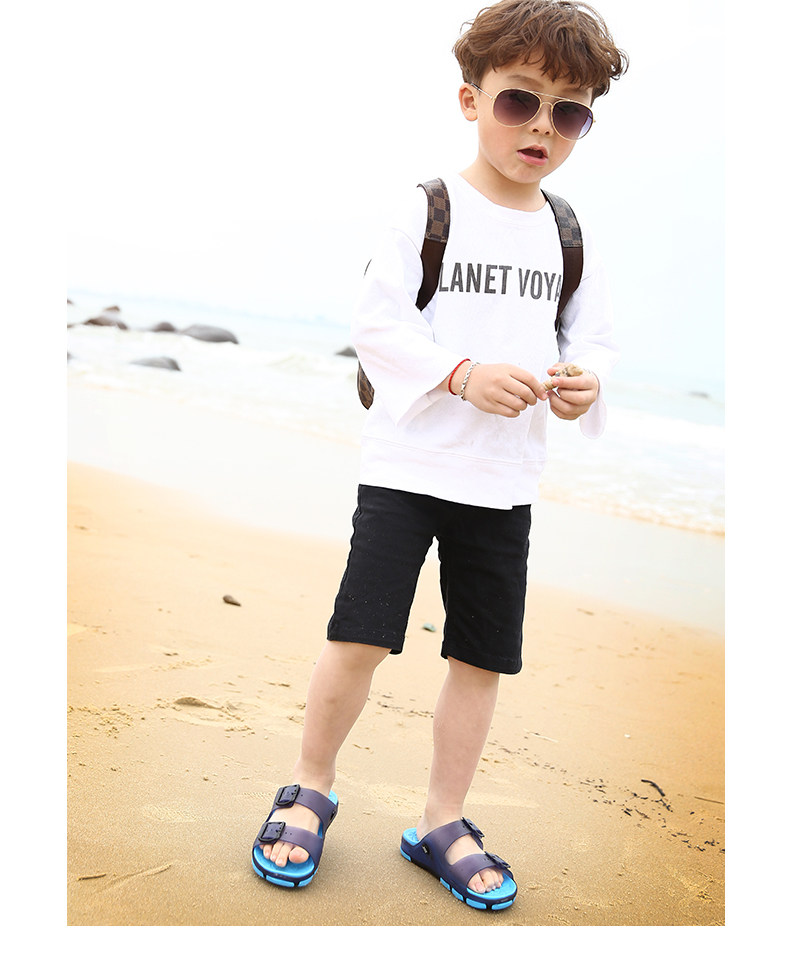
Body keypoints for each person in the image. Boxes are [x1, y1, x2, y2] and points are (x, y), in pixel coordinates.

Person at [252, 0, 627, 911]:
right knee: (360, 636)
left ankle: (442, 819)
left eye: (569, 113)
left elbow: (593, 341)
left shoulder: (568, 232)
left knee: (480, 657)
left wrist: (585, 385)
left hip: (504, 483)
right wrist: (460, 375)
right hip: (407, 470)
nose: (541, 127)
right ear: (471, 100)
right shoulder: (426, 209)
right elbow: (378, 325)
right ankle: (310, 785)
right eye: (520, 101)